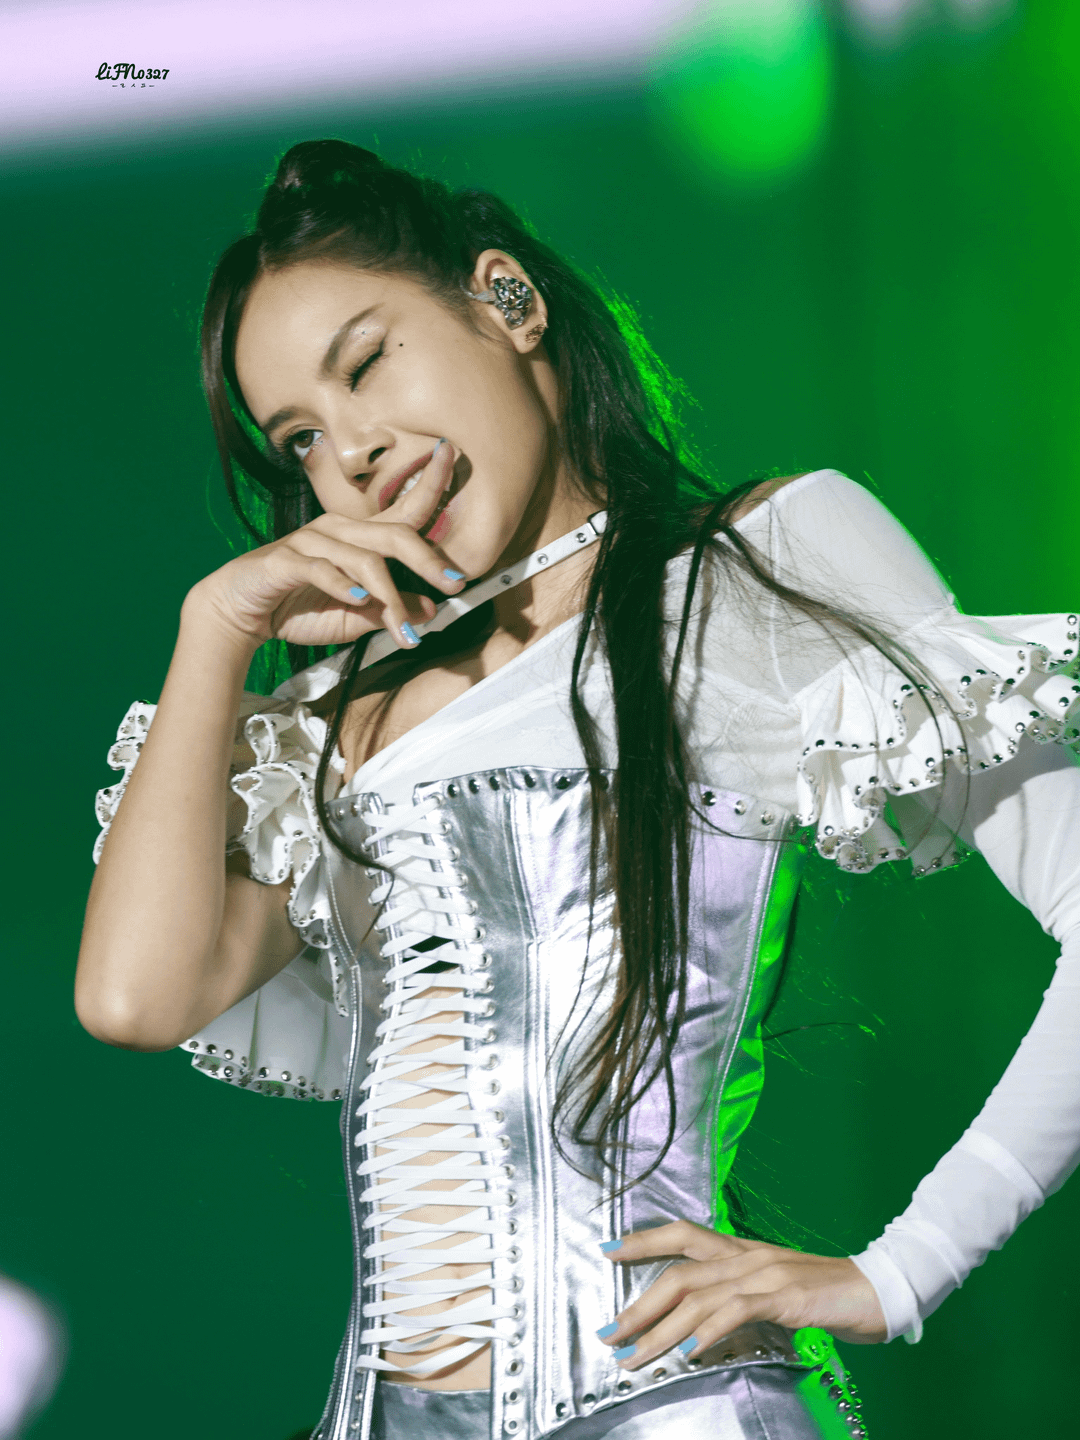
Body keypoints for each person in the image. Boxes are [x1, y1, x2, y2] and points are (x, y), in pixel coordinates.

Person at [76, 140, 1080, 1440]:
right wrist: (214, 631)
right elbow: (134, 997)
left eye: (366, 363)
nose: (353, 452)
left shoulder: (759, 566)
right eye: (302, 440)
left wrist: (898, 1273)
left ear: (507, 300)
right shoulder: (345, 714)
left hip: (669, 1405)